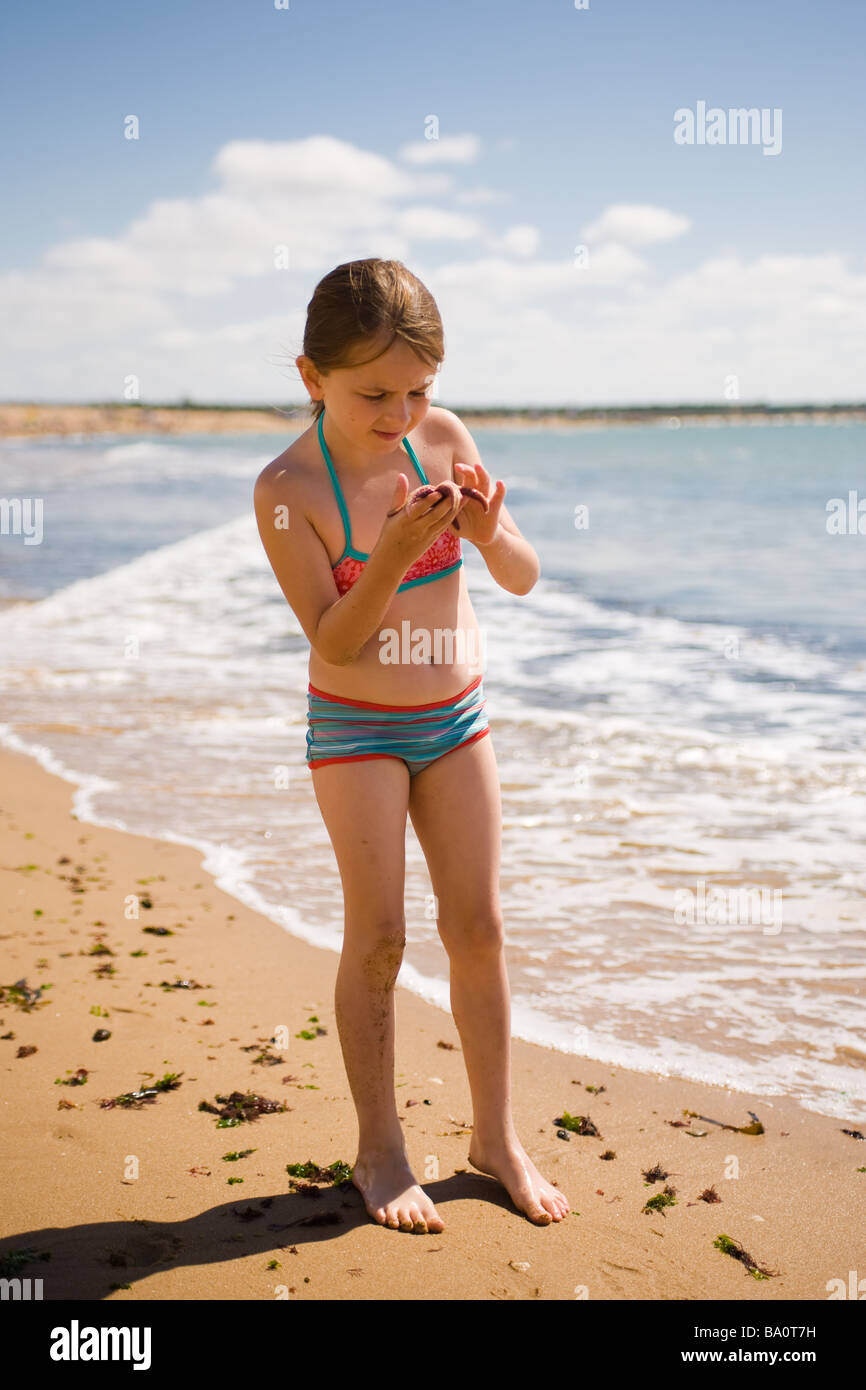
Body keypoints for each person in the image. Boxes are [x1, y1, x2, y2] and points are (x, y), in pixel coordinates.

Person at [254, 258, 570, 1233]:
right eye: (373, 394)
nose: (401, 415)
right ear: (311, 378)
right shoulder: (285, 488)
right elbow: (333, 640)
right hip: (356, 728)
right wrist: (388, 551)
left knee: (476, 928)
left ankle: (493, 1137)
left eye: (418, 390)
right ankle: (380, 1146)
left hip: (454, 715)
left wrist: (481, 533)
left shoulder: (441, 437)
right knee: (380, 934)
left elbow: (520, 574)